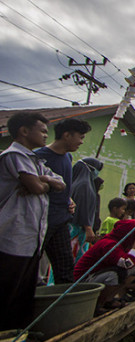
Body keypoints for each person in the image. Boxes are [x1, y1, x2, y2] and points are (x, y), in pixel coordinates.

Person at [0, 112, 65, 330]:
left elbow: (59, 183)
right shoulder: (14, 156)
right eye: (43, 131)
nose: (46, 135)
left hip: (30, 239)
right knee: (8, 294)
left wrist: (44, 180)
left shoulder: (35, 160)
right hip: (12, 236)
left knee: (24, 293)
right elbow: (35, 187)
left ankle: (16, 338)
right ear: (24, 131)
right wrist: (44, 184)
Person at [35, 117, 91, 284]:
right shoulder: (39, 157)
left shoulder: (67, 158)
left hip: (61, 220)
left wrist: (69, 199)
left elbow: (64, 186)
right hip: (41, 220)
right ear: (67, 135)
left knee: (65, 266)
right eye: (80, 137)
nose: (81, 142)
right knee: (31, 265)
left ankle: (63, 305)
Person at [73, 220, 135, 313]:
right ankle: (98, 304)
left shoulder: (123, 244)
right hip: (84, 281)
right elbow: (128, 263)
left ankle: (108, 300)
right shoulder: (108, 244)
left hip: (97, 277)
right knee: (114, 274)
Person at [70, 157, 104, 262]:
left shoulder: (78, 183)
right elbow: (82, 207)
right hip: (78, 228)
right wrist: (88, 228)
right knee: (74, 257)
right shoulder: (84, 185)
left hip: (73, 227)